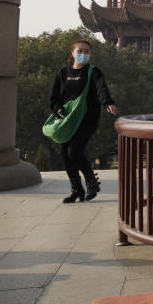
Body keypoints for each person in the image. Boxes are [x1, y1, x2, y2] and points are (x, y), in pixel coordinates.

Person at [49, 39, 118, 203]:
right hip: (66, 120)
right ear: (72, 53)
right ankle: (77, 190)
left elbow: (102, 89)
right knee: (65, 155)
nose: (83, 54)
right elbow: (54, 97)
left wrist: (107, 103)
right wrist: (58, 109)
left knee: (74, 151)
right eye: (80, 51)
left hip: (87, 119)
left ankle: (91, 182)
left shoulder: (93, 72)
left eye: (87, 51)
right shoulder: (62, 73)